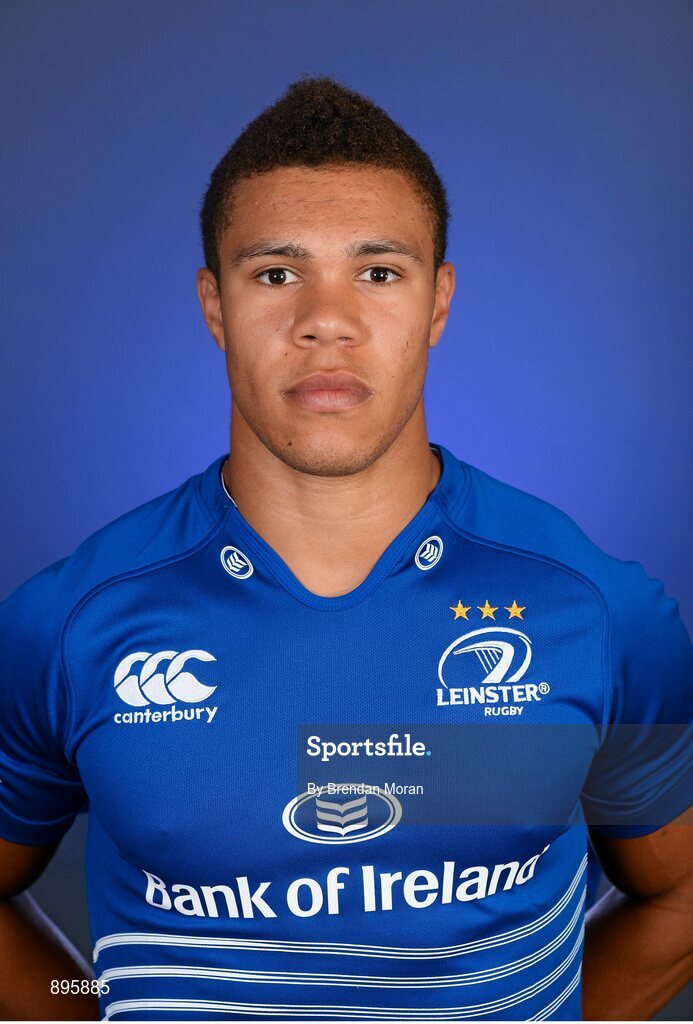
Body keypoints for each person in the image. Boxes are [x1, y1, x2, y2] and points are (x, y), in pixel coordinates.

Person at [0, 74, 690, 1023]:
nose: (326, 318)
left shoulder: (593, 610)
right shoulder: (68, 624)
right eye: (276, 273)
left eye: (378, 270)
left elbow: (681, 890)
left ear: (437, 302)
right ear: (215, 306)